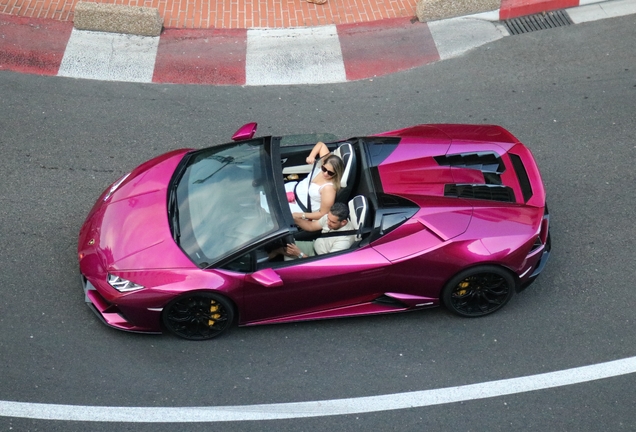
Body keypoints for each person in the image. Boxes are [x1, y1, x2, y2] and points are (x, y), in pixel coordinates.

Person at [270, 203, 355, 260]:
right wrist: (293, 219)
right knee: (279, 247)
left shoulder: (344, 242)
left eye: (332, 222)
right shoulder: (330, 218)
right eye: (328, 219)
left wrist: (299, 254)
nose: (328, 222)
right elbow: (311, 226)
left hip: (316, 259)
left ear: (343, 222)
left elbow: (326, 266)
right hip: (313, 246)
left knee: (284, 267)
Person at [285, 141, 344, 222]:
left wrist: (300, 215)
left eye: (330, 173)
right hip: (291, 189)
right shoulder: (327, 162)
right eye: (324, 169)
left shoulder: (328, 189)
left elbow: (323, 214)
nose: (325, 173)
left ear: (336, 173)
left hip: (297, 207)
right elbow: (321, 145)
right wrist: (311, 156)